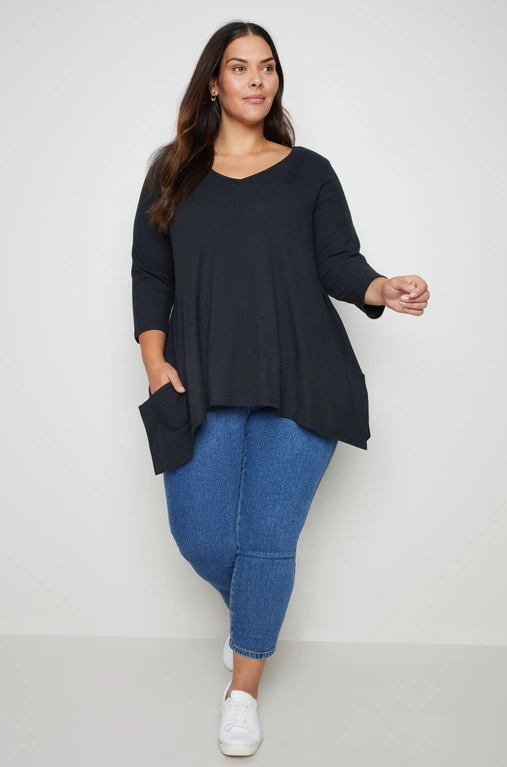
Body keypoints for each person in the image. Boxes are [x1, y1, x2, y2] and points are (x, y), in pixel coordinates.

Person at [131, 20, 429, 757]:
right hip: (200, 378)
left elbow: (338, 262)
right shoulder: (173, 171)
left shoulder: (310, 173)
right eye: (240, 67)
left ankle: (242, 692)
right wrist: (154, 360)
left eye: (267, 67)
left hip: (301, 375)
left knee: (267, 542)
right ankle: (252, 625)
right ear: (213, 83)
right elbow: (151, 273)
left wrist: (381, 287)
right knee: (200, 535)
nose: (257, 79)